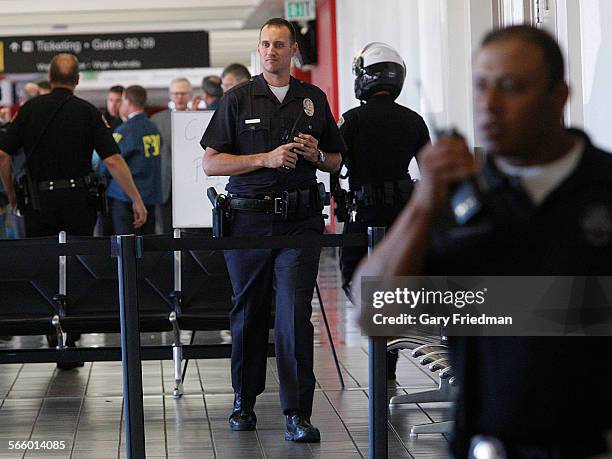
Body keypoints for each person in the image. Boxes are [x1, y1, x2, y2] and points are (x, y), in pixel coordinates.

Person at [354, 25, 612, 458]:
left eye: (511, 88)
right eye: (480, 88)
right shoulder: (460, 200)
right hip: (487, 442)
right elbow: (374, 314)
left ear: (559, 96)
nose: (489, 106)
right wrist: (424, 203)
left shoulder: (603, 187)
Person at [201, 17, 345, 443]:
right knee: (248, 312)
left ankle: (297, 413)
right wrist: (264, 159)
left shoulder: (313, 99)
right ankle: (243, 401)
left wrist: (318, 154)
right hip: (247, 221)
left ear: (293, 50)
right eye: (264, 44)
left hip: (299, 223)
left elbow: (337, 162)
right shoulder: (238, 99)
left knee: (294, 315)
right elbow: (211, 162)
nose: (270, 52)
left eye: (279, 45)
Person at [0, 54, 147, 368]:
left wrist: (12, 193)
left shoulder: (28, 110)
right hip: (80, 199)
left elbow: (3, 154)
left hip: (38, 201)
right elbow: (112, 160)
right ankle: (74, 332)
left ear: (50, 78)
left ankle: (50, 328)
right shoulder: (86, 112)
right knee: (78, 262)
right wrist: (135, 197)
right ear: (77, 80)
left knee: (44, 263)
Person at [336, 42, 430, 380]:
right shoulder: (414, 120)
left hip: (363, 214)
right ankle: (390, 343)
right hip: (404, 215)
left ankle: (382, 336)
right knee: (401, 278)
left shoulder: (352, 119)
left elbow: (334, 161)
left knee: (353, 277)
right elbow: (429, 170)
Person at [101, 85, 161, 235]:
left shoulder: (125, 131)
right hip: (150, 196)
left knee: (125, 247)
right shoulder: (153, 128)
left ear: (127, 101)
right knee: (147, 248)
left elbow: (109, 163)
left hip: (124, 198)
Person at [151, 77, 193, 234]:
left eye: (182, 93)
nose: (179, 97)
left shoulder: (199, 118)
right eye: (175, 93)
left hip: (191, 184)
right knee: (166, 229)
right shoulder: (157, 120)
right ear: (170, 95)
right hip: (165, 184)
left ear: (189, 95)